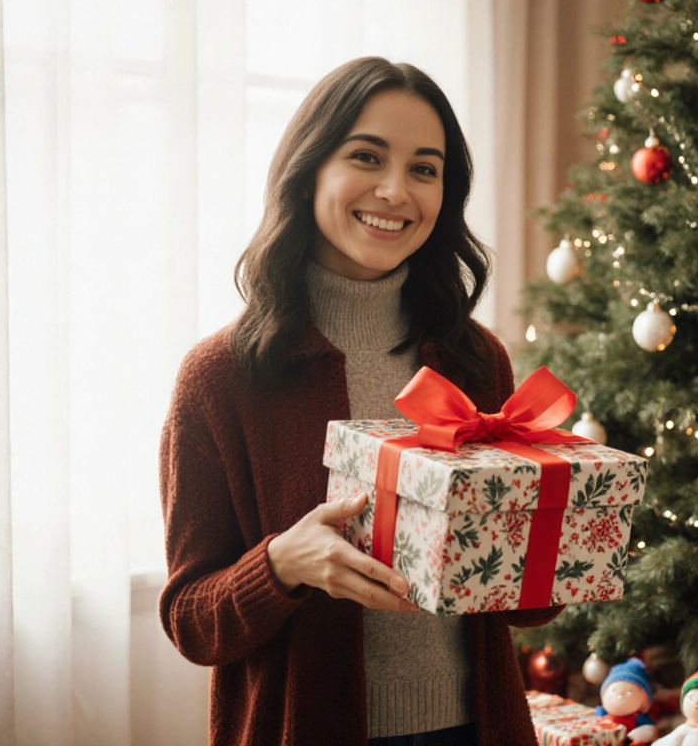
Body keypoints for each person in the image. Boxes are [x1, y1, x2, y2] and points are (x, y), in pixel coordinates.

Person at [159, 57, 561, 746]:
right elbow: (192, 621)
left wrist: (555, 510)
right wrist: (283, 563)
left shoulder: (474, 358)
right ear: (310, 168)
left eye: (425, 168)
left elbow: (526, 611)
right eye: (366, 156)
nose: (395, 190)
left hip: (477, 727)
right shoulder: (221, 377)